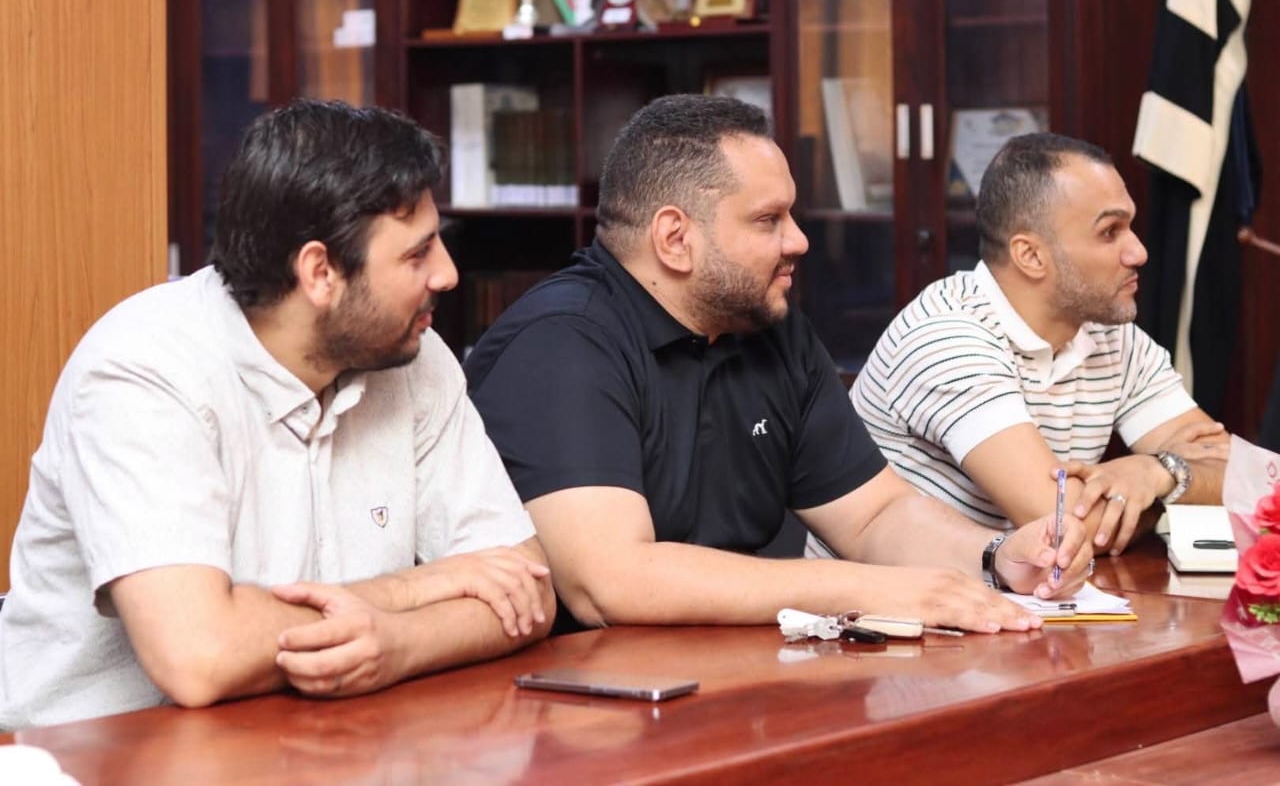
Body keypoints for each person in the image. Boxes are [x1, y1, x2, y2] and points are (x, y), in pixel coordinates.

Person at [0, 100, 554, 730]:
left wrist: (399, 646)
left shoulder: (412, 354)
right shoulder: (143, 369)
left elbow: (527, 592)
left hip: (315, 744)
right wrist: (413, 592)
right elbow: (200, 658)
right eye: (416, 254)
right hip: (94, 757)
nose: (448, 275)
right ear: (319, 271)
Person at [464, 94, 1090, 637]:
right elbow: (612, 583)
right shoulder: (561, 342)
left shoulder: (769, 325)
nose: (799, 240)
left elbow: (873, 513)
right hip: (580, 710)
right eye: (768, 220)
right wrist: (865, 591)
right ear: (675, 238)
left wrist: (995, 555)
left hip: (733, 669)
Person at [847, 132, 1226, 560]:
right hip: (881, 614)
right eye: (1109, 232)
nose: (1138, 251)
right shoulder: (948, 336)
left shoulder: (1110, 335)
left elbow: (1246, 478)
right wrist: (1174, 497)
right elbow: (1061, 524)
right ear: (1030, 256)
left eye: (1130, 227)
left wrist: (1160, 471)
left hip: (1022, 599)